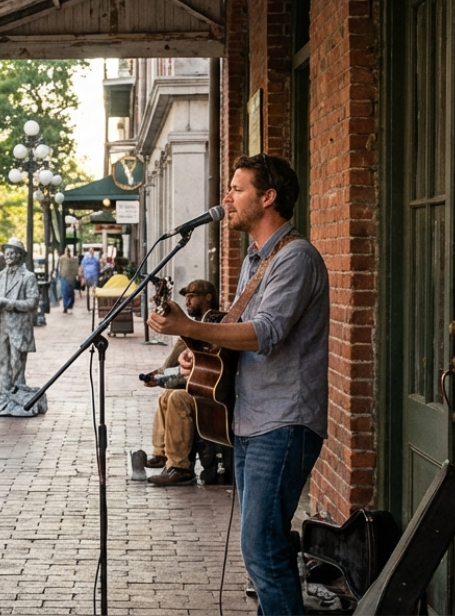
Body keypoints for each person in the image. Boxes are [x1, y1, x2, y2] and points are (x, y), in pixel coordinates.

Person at [148, 154, 329, 616]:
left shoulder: (297, 258)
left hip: (284, 421)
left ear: (267, 198)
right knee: (261, 550)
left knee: (263, 548)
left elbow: (264, 333)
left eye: (237, 189)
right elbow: (236, 329)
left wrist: (194, 326)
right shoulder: (254, 260)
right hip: (250, 419)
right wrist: (197, 347)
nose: (226, 198)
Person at [144, 279, 218, 487]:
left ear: (208, 297)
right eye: (185, 297)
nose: (187, 301)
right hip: (199, 384)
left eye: (192, 297)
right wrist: (158, 375)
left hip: (213, 390)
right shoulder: (193, 326)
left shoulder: (214, 323)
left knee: (177, 397)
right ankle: (162, 454)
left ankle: (181, 467)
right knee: (165, 395)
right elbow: (172, 362)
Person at [0, 237, 44, 417]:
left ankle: (18, 399)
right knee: (3, 363)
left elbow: (32, 303)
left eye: (12, 252)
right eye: (6, 252)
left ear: (20, 256)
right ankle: (5, 396)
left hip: (19, 327)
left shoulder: (28, 277)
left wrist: (7, 303)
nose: (9, 255)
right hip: (1, 326)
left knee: (17, 363)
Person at [55, 247, 79, 313]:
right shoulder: (62, 258)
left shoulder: (72, 259)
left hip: (70, 278)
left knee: (70, 293)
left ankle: (68, 305)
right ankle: (66, 306)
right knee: (65, 293)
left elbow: (75, 268)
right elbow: (58, 267)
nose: (67, 252)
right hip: (64, 277)